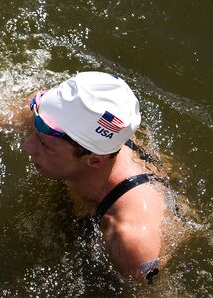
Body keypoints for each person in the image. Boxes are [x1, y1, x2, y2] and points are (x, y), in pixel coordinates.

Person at [15, 71, 171, 283]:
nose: (26, 146)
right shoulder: (80, 132)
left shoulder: (132, 241)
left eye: (45, 145)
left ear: (95, 160)